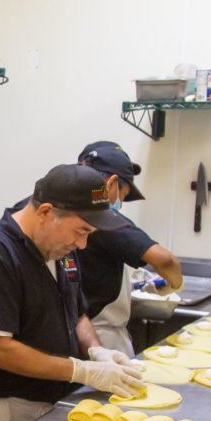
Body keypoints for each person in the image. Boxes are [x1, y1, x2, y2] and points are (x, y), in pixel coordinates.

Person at [0, 164, 145, 421]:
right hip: (5, 410)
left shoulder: (59, 250)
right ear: (46, 212)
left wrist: (97, 351)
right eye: (81, 231)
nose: (83, 244)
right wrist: (79, 370)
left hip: (51, 404)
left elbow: (77, 313)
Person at [75, 141, 183, 356]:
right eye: (123, 195)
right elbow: (165, 260)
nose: (120, 204)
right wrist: (174, 285)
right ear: (112, 183)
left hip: (74, 330)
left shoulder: (64, 211)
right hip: (101, 334)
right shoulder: (104, 219)